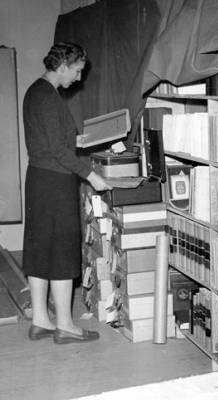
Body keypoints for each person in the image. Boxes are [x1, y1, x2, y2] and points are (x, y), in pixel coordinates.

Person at [23, 42, 110, 344]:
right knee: (60, 249)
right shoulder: (48, 97)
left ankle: (40, 320)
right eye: (76, 71)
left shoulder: (37, 92)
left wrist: (80, 139)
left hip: (39, 179)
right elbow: (58, 150)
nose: (78, 78)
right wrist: (92, 176)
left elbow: (53, 140)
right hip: (54, 181)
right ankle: (65, 325)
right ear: (62, 67)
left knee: (40, 248)